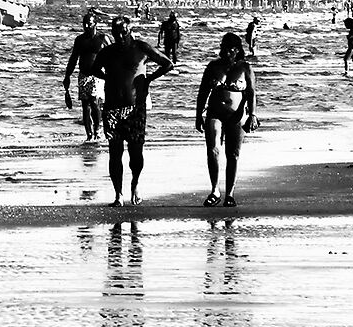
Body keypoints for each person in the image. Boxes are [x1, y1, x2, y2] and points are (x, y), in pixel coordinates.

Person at [94, 15, 174, 205]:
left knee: (136, 153)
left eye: (123, 32)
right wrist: (109, 79)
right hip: (112, 108)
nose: (120, 36)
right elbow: (94, 69)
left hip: (135, 108)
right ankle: (118, 195)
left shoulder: (141, 48)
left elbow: (167, 63)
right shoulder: (107, 52)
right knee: (115, 152)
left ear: (129, 31)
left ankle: (135, 184)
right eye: (116, 33)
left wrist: (148, 80)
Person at [193, 32, 257, 205]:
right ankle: (214, 190)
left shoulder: (245, 68)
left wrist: (252, 115)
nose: (224, 52)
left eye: (228, 49)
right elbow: (203, 92)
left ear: (236, 50)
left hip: (237, 115)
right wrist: (198, 115)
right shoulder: (213, 67)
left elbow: (251, 93)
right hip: (214, 113)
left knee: (233, 154)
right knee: (213, 149)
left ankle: (229, 194)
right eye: (222, 48)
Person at [61, 12, 108, 140]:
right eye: (84, 24)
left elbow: (112, 55)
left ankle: (97, 131)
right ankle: (89, 134)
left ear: (95, 24)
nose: (86, 26)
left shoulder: (103, 38)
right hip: (83, 75)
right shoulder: (80, 40)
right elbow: (73, 59)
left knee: (94, 101)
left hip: (98, 75)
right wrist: (67, 76)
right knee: (85, 105)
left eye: (89, 24)